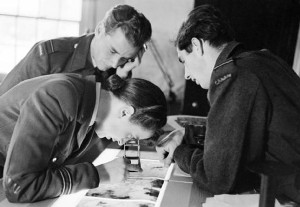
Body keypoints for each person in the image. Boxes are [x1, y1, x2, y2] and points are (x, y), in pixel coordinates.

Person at [156, 4, 300, 203]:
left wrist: (180, 152)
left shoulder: (232, 77)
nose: (187, 75)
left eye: (183, 60)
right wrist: (191, 136)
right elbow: (243, 133)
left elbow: (216, 178)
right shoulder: (262, 61)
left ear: (196, 46)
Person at [0, 73, 167, 203]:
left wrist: (165, 138)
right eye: (131, 136)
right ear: (124, 112)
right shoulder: (60, 97)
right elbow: (20, 187)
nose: (125, 143)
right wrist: (98, 174)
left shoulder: (91, 97)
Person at [0, 4, 152, 96]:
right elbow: (4, 106)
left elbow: (115, 117)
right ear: (100, 29)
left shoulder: (119, 70)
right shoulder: (48, 56)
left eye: (125, 58)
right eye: (112, 51)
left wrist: (123, 74)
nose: (114, 63)